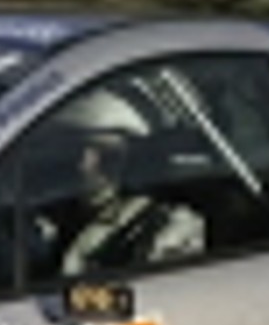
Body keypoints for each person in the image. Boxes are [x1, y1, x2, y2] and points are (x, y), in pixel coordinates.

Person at [34, 88, 206, 277]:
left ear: (131, 158)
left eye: (105, 153)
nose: (84, 164)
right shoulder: (39, 216)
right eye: (74, 150)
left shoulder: (161, 225)